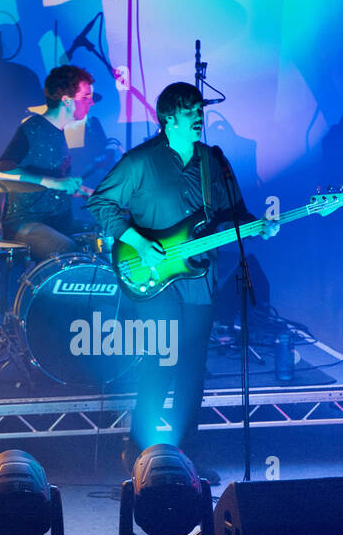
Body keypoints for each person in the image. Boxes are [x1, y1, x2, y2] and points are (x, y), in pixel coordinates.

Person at [87, 82, 276, 482]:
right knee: (159, 363)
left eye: (199, 110)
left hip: (199, 280)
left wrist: (259, 226)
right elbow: (100, 201)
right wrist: (140, 242)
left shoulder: (213, 161)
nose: (199, 117)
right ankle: (140, 454)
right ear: (169, 117)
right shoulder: (140, 161)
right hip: (152, 278)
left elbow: (234, 215)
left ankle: (188, 456)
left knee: (193, 370)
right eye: (190, 111)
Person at [0, 64, 96, 260]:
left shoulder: (60, 133)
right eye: (86, 96)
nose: (91, 102)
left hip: (56, 221)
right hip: (26, 223)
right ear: (66, 100)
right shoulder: (33, 128)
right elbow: (3, 170)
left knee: (99, 236)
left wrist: (87, 192)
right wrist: (56, 183)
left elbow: (55, 188)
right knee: (68, 252)